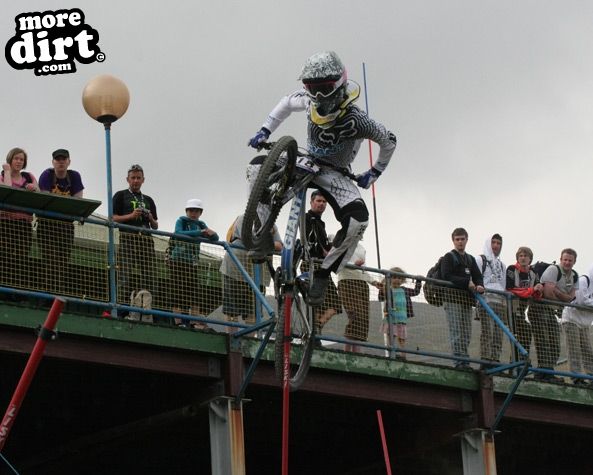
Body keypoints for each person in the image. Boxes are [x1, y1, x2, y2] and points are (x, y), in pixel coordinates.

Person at [247, 51, 396, 305]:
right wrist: (265, 130)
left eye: (323, 88)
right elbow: (285, 103)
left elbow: (389, 140)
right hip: (307, 160)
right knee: (255, 169)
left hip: (335, 172)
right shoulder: (308, 101)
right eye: (310, 88)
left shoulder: (357, 119)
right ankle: (261, 234)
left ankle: (325, 273)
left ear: (338, 85)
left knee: (358, 221)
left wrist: (374, 172)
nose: (316, 95)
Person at [220, 214, 282, 331]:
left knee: (253, 313)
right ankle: (233, 342)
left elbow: (280, 245)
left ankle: (249, 344)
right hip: (235, 269)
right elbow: (248, 240)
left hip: (258, 273)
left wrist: (265, 244)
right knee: (231, 311)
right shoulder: (243, 218)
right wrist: (267, 244)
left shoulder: (270, 223)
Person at [37, 148, 85, 293]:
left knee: (63, 261)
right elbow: (46, 199)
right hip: (47, 225)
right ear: (53, 162)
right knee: (50, 261)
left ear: (69, 161)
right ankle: (48, 295)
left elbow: (78, 200)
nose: (61, 162)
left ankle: (58, 294)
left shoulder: (74, 176)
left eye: (64, 159)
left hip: (66, 226)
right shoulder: (47, 175)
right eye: (58, 159)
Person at [112, 164, 158, 314]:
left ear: (143, 180)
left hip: (146, 241)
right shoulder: (120, 195)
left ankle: (148, 311)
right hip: (127, 239)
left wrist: (149, 217)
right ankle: (121, 311)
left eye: (139, 178)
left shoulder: (149, 199)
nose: (136, 181)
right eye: (133, 178)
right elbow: (112, 218)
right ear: (127, 179)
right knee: (124, 276)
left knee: (150, 277)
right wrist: (131, 216)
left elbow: (156, 225)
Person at [169, 199, 219, 328]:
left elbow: (215, 238)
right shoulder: (181, 221)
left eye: (196, 211)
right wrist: (200, 233)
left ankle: (194, 320)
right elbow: (178, 233)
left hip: (192, 262)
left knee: (193, 292)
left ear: (200, 212)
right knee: (177, 291)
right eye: (191, 210)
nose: (193, 213)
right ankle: (178, 322)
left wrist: (212, 233)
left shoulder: (201, 224)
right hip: (177, 261)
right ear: (186, 211)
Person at [530, 248, 579, 382]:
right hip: (539, 308)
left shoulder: (574, 275)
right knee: (543, 341)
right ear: (560, 259)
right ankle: (543, 373)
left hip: (552, 311)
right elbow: (547, 294)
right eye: (565, 259)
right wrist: (561, 296)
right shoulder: (553, 270)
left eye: (570, 260)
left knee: (555, 343)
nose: (567, 262)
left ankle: (547, 372)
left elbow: (571, 298)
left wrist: (557, 292)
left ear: (574, 261)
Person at [441, 227, 485, 369]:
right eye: (457, 239)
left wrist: (479, 285)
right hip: (453, 299)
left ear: (467, 240)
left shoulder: (470, 259)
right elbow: (446, 275)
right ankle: (459, 361)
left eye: (462, 239)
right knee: (456, 331)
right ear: (453, 241)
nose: (460, 242)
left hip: (466, 300)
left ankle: (464, 361)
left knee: (466, 331)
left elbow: (478, 276)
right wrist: (466, 282)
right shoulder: (449, 257)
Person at [303, 190, 341, 337]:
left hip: (321, 265)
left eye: (324, 202)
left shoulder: (320, 222)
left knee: (331, 304)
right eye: (318, 201)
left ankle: (316, 329)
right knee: (324, 303)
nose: (322, 204)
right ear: (311, 202)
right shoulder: (307, 218)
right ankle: (315, 331)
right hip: (313, 264)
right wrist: (325, 250)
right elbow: (310, 239)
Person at [0, 147, 39, 289]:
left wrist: (32, 188)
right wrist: (8, 171)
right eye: (16, 158)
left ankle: (16, 291)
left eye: (21, 159)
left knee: (20, 258)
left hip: (23, 224)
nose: (19, 161)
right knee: (4, 256)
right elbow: (7, 190)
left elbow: (38, 191)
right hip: (5, 223)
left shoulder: (28, 176)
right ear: (10, 159)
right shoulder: (3, 175)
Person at [336, 241, 375, 353]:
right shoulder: (342, 242)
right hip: (347, 280)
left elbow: (363, 269)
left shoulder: (361, 248)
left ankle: (356, 352)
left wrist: (374, 282)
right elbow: (336, 261)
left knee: (363, 318)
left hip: (362, 283)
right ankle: (347, 351)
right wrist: (353, 265)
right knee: (355, 315)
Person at [474, 234, 507, 367]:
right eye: (493, 242)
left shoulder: (502, 265)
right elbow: (475, 278)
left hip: (500, 302)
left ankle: (495, 359)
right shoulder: (480, 260)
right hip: (486, 300)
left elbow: (503, 285)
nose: (496, 246)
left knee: (499, 334)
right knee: (487, 331)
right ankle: (486, 359)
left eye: (499, 243)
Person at [505, 246, 543, 358]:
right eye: (520, 256)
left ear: (530, 259)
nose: (522, 258)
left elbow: (536, 294)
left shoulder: (533, 272)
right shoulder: (511, 269)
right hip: (511, 306)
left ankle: (521, 360)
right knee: (517, 334)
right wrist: (532, 290)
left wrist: (539, 290)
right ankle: (516, 363)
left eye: (525, 256)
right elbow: (510, 289)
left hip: (522, 309)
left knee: (525, 333)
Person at [379, 267, 422, 359]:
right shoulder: (388, 290)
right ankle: (392, 354)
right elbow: (381, 298)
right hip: (390, 318)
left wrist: (418, 281)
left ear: (402, 280)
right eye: (394, 278)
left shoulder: (404, 290)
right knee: (391, 337)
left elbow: (416, 292)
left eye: (399, 278)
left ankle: (403, 356)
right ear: (390, 279)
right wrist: (382, 287)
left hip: (401, 318)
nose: (397, 280)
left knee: (402, 338)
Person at [561, 265, 593, 386]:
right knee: (574, 350)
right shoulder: (584, 280)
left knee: (588, 351)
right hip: (571, 319)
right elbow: (581, 301)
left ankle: (591, 377)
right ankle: (576, 378)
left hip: (584, 323)